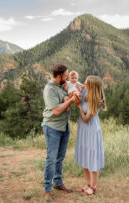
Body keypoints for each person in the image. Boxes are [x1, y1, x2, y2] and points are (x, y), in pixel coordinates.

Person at [42, 64, 80, 201]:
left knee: (60, 157)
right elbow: (57, 111)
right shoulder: (50, 89)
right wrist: (70, 100)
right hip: (52, 128)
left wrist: (73, 96)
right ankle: (47, 189)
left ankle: (57, 183)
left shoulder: (63, 86)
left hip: (64, 127)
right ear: (59, 76)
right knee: (51, 158)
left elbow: (69, 98)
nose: (68, 77)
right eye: (66, 75)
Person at [75, 75, 106, 195]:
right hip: (83, 130)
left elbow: (86, 119)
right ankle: (88, 184)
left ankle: (93, 187)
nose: (84, 84)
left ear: (92, 86)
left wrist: (79, 106)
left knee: (93, 157)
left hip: (92, 130)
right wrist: (80, 87)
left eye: (87, 83)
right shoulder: (85, 92)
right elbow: (76, 86)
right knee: (84, 156)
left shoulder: (97, 101)